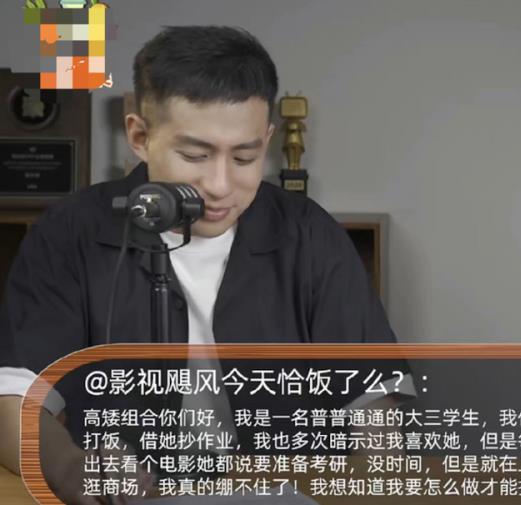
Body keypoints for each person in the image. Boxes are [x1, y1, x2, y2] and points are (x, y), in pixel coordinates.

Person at [0, 26, 410, 503]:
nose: (219, 186)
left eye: (245, 157)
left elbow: (374, 401)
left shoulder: (309, 233)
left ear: (268, 139)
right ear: (139, 136)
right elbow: (15, 397)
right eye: (195, 155)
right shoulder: (70, 231)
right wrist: (72, 468)